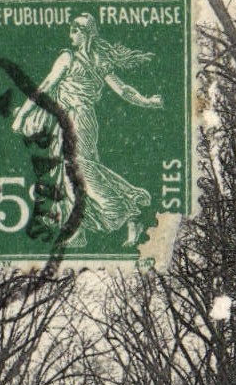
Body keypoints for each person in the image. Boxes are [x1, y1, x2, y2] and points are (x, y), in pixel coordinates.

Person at [11, 13, 163, 248]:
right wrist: (146, 101)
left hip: (77, 120)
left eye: (74, 30)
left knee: (79, 170)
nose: (70, 35)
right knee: (71, 172)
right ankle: (80, 229)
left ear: (85, 33)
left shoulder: (69, 58)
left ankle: (128, 212)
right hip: (74, 119)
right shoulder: (97, 60)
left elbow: (45, 87)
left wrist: (22, 114)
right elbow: (123, 90)